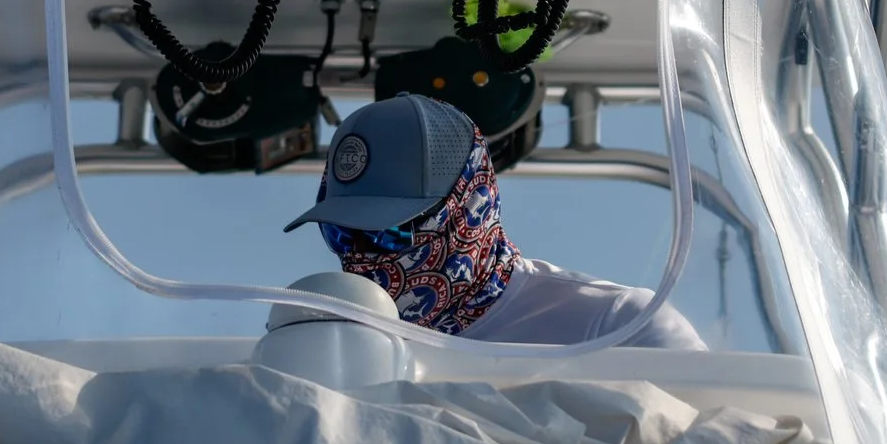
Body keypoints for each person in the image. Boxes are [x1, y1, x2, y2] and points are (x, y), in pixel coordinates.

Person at [285, 93, 705, 348]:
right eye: (340, 233)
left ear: (471, 207)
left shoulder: (617, 325)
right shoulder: (327, 345)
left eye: (391, 231)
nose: (363, 256)